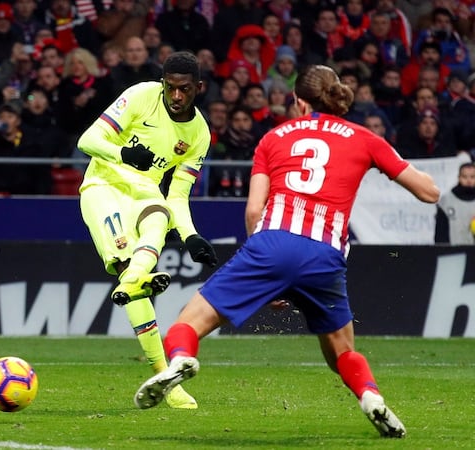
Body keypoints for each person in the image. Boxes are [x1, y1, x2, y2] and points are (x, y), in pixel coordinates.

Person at [133, 65, 440, 438]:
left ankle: (181, 360)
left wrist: (265, 272)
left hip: (272, 243)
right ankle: (370, 395)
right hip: (325, 255)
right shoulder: (364, 138)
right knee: (341, 352)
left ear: (299, 101)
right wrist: (392, 162)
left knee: (189, 320)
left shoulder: (274, 137)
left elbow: (252, 210)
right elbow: (429, 193)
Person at [77, 51, 218, 409]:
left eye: (184, 90)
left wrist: (191, 236)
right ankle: (166, 379)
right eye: (170, 88)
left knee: (161, 215)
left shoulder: (199, 133)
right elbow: (88, 140)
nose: (175, 96)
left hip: (143, 192)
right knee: (129, 264)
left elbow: (178, 196)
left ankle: (135, 277)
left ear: (198, 88)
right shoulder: (141, 94)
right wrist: (124, 154)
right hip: (103, 187)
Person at [435, 162, 475, 245]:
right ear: (459, 178)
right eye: (464, 177)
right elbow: (440, 232)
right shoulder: (446, 201)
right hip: (453, 253)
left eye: (472, 177)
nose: (469, 180)